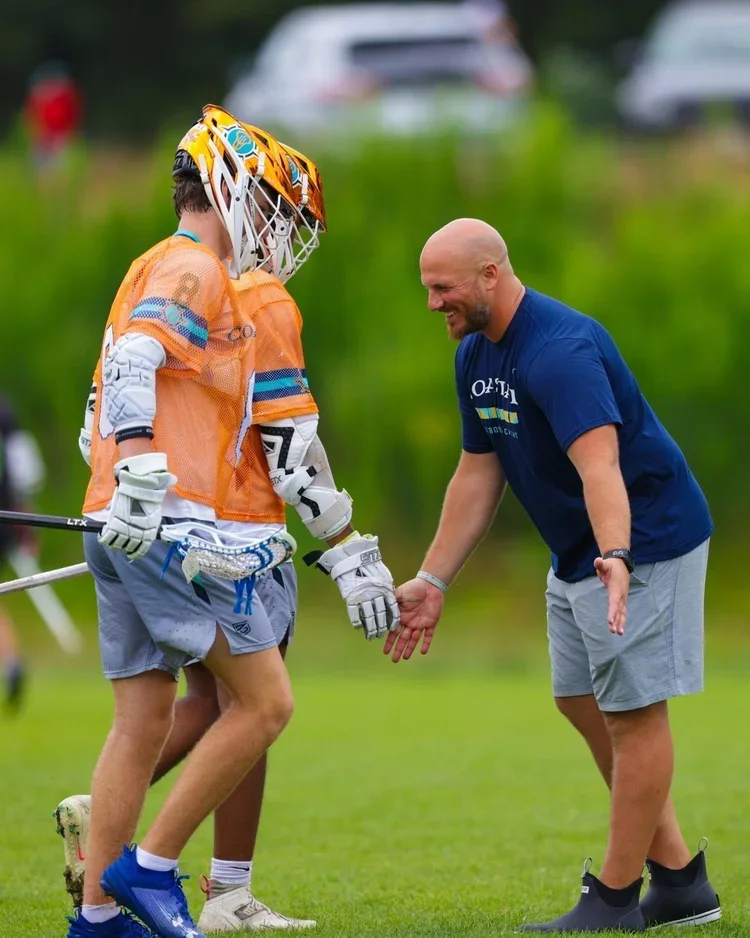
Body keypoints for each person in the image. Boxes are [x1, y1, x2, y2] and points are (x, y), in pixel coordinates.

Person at [62, 106, 399, 938]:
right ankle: (146, 870)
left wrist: (123, 478)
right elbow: (142, 363)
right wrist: (149, 470)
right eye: (276, 210)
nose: (280, 235)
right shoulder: (201, 269)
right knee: (263, 704)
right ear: (232, 187)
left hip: (115, 520)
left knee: (142, 721)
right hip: (173, 525)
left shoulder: (147, 263)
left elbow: (94, 410)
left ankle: (98, 920)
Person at [386, 218, 722, 933]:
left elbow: (600, 465)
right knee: (580, 700)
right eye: (427, 288)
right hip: (579, 553)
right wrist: (433, 580)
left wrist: (618, 556)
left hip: (645, 541)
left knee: (635, 716)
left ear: (490, 276)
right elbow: (478, 474)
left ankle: (614, 901)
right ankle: (680, 881)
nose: (432, 303)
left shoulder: (559, 350)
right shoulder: (475, 353)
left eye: (442, 288)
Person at [0, 396, 46, 711]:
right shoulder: (5, 411)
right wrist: (25, 519)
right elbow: (26, 470)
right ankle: (11, 660)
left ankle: (12, 662)